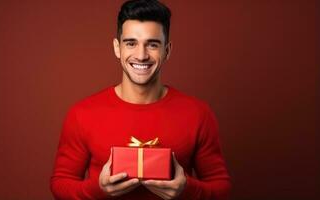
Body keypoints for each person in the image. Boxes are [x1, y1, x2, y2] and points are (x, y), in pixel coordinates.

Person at [50, 0, 231, 199]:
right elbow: (60, 185)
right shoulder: (82, 114)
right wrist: (98, 190)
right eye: (131, 43)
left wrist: (186, 189)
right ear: (117, 48)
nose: (141, 55)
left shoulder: (198, 113)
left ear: (167, 50)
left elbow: (221, 188)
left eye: (152, 44)